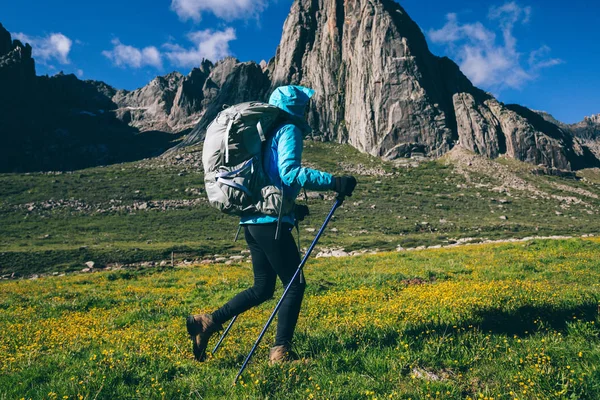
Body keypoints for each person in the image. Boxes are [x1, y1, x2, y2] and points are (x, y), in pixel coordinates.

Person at [187, 85, 357, 363]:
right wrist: (335, 182)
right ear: (298, 109)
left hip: (253, 220)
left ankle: (206, 322)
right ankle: (281, 353)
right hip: (268, 222)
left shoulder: (263, 135)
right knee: (295, 284)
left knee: (263, 288)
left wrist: (291, 208)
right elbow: (289, 174)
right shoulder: (288, 129)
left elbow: (270, 180)